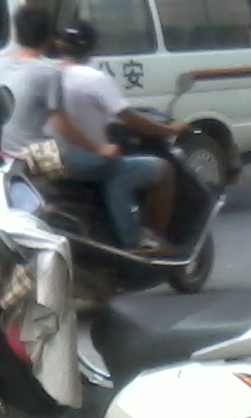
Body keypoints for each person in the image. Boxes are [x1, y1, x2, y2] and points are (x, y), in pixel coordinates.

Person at [49, 20, 186, 254]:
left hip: (46, 157)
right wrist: (170, 130)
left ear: (58, 45)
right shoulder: (93, 78)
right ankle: (142, 242)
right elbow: (129, 118)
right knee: (149, 170)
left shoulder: (46, 74)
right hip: (78, 159)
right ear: (93, 48)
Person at [0, 4, 61, 157]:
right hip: (37, 157)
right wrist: (96, 148)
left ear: (16, 36)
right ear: (49, 38)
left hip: (3, 153)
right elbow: (59, 123)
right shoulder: (48, 72)